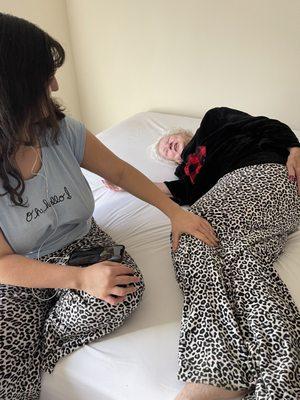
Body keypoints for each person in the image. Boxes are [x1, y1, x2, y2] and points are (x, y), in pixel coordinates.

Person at [0, 14, 219, 400]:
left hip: (81, 243)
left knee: (123, 291)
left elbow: (119, 169)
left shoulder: (61, 132)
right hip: (21, 268)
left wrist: (175, 212)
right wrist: (79, 281)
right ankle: (36, 343)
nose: (54, 84)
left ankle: (42, 341)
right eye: (44, 76)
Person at [106, 107, 300, 399]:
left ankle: (217, 369)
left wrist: (295, 149)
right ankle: (280, 378)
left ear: (181, 132)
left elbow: (266, 125)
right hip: (268, 202)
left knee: (189, 235)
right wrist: (125, 184)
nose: (168, 148)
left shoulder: (214, 120)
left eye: (167, 140)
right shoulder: (186, 176)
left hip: (262, 173)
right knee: (242, 261)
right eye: (165, 153)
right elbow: (171, 191)